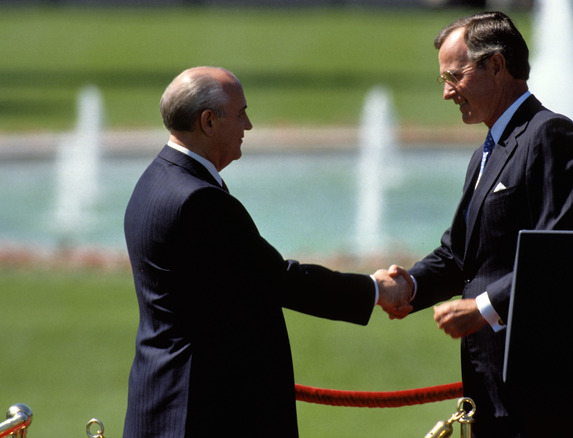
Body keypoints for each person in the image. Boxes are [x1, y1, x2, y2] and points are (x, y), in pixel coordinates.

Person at [122, 66, 410, 438]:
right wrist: (375, 290)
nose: (249, 126)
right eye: (241, 114)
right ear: (209, 122)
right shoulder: (199, 199)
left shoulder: (155, 179)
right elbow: (277, 280)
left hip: (163, 399)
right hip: (201, 410)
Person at [383, 12, 573, 437]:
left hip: (538, 389)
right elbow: (458, 254)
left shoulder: (549, 134)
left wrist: (482, 309)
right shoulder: (485, 152)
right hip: (490, 387)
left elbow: (563, 252)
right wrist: (409, 287)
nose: (446, 93)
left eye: (454, 76)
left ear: (496, 65)